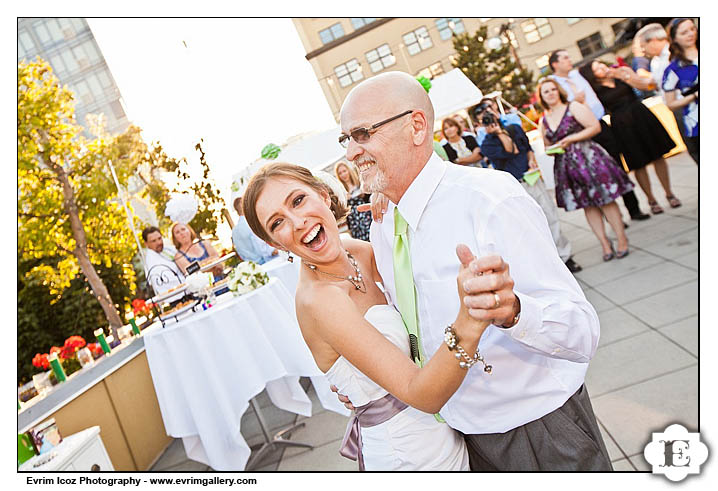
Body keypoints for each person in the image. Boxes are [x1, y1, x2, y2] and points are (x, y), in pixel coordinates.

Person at [338, 71, 610, 471]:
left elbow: (581, 330)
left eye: (363, 133)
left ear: (416, 126)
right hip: (459, 440)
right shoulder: (383, 221)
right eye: (346, 139)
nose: (350, 152)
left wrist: (513, 311)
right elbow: (416, 329)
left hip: (538, 431)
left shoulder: (489, 200)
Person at [243, 162, 481, 470]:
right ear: (275, 244)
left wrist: (393, 202)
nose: (298, 221)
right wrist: (471, 320)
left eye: (298, 200)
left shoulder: (359, 251)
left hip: (448, 426)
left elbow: (421, 299)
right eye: (277, 223)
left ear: (323, 195)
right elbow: (419, 392)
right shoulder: (321, 302)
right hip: (411, 455)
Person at [474, 100, 583, 274]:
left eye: (489, 112)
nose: (488, 117)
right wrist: (499, 133)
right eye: (483, 116)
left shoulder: (515, 129)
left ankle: (565, 257)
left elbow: (526, 148)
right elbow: (511, 151)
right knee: (528, 226)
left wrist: (532, 160)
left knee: (550, 216)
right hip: (514, 186)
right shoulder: (487, 144)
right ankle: (546, 263)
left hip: (531, 179)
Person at [548, 49, 650, 221]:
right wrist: (574, 102)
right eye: (565, 58)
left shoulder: (578, 75)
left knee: (617, 165)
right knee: (593, 176)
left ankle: (634, 209)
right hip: (581, 132)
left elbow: (598, 76)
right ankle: (612, 218)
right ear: (555, 64)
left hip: (601, 125)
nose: (569, 60)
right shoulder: (553, 84)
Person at [537, 78, 633, 261]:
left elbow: (594, 127)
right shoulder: (544, 120)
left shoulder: (573, 107)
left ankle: (622, 239)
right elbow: (548, 147)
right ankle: (605, 244)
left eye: (553, 89)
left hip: (589, 159)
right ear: (541, 97)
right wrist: (554, 148)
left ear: (559, 91)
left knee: (606, 201)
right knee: (588, 206)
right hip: (567, 167)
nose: (550, 93)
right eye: (546, 92)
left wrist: (572, 139)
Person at [579, 59, 681, 213]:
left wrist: (624, 76)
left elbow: (645, 86)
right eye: (597, 69)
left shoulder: (622, 73)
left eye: (601, 64)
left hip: (640, 114)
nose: (602, 67)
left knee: (658, 155)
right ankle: (651, 200)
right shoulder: (594, 91)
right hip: (621, 124)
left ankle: (669, 193)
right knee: (638, 163)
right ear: (592, 76)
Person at [637, 22, 696, 164]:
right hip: (682, 108)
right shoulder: (657, 61)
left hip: (688, 105)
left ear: (654, 40)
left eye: (644, 46)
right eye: (684, 32)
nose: (643, 51)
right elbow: (655, 85)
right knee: (693, 147)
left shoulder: (673, 55)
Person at [662, 18, 699, 165]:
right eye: (684, 32)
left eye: (692, 29)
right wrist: (693, 96)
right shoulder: (673, 70)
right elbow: (670, 104)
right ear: (675, 38)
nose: (691, 34)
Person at [230, 183, 279, 264]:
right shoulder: (251, 223)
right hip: (267, 262)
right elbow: (262, 247)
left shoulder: (234, 232)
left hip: (252, 267)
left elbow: (240, 253)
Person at [142, 226, 185, 299]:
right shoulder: (151, 262)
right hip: (178, 297)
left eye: (159, 238)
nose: (159, 242)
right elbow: (170, 281)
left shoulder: (167, 249)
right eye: (153, 241)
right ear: (146, 244)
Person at [334, 161, 372, 241]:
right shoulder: (341, 192)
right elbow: (341, 212)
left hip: (366, 217)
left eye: (344, 171)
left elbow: (369, 198)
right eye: (340, 173)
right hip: (354, 222)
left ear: (348, 170)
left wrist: (363, 194)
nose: (343, 174)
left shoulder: (359, 183)